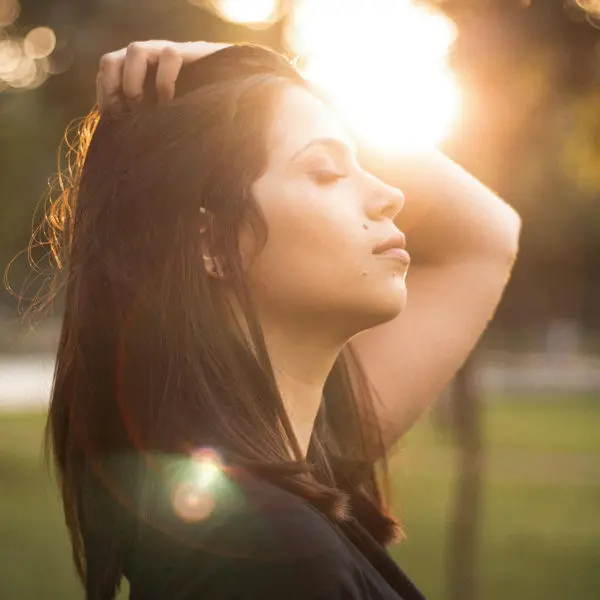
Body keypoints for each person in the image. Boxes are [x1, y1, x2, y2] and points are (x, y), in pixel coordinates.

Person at [39, 40, 521, 599]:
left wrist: (266, 74)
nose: (390, 195)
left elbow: (487, 235)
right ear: (212, 243)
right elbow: (485, 239)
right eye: (326, 172)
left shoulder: (294, 463)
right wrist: (270, 81)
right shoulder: (270, 554)